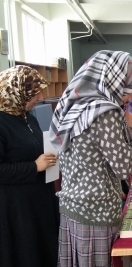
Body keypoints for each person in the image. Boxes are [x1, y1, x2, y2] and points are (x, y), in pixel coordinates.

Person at [49, 50, 132, 267]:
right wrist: (130, 128)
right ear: (111, 79)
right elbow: (125, 168)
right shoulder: (106, 112)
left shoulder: (72, 104)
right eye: (127, 89)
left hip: (72, 206)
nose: (129, 97)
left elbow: (81, 158)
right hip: (96, 213)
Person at [0, 66, 59, 267]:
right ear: (16, 91)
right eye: (34, 93)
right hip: (17, 207)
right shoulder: (1, 122)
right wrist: (33, 166)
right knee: (26, 251)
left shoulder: (26, 116)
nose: (40, 97)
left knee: (44, 247)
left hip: (39, 198)